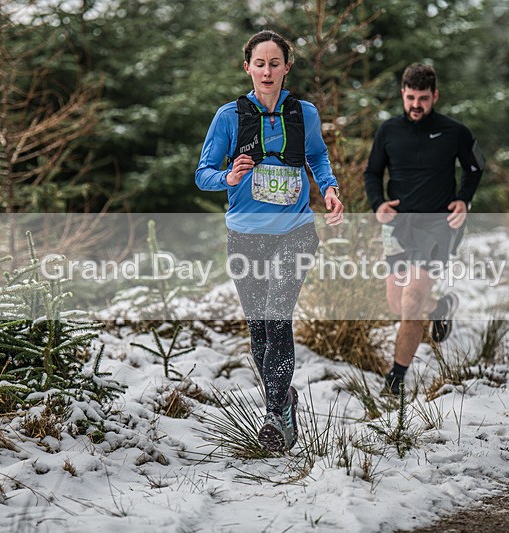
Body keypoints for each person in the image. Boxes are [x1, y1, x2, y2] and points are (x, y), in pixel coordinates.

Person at [195, 30, 343, 452]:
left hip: (296, 232)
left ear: (286, 67)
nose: (267, 70)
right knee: (259, 328)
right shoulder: (229, 116)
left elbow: (316, 156)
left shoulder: (304, 113)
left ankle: (274, 417)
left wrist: (328, 188)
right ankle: (284, 400)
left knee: (277, 314)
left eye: (274, 63)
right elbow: (202, 173)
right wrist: (229, 175)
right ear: (248, 68)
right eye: (259, 63)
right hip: (245, 237)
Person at [363, 63, 484, 395]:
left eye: (424, 98)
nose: (416, 105)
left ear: (435, 96)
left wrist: (463, 200)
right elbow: (372, 174)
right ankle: (440, 308)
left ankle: (396, 379)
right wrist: (378, 205)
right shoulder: (388, 131)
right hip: (400, 227)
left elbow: (474, 168)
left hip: (438, 225)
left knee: (412, 297)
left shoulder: (454, 131)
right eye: (411, 97)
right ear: (402, 93)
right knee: (395, 302)